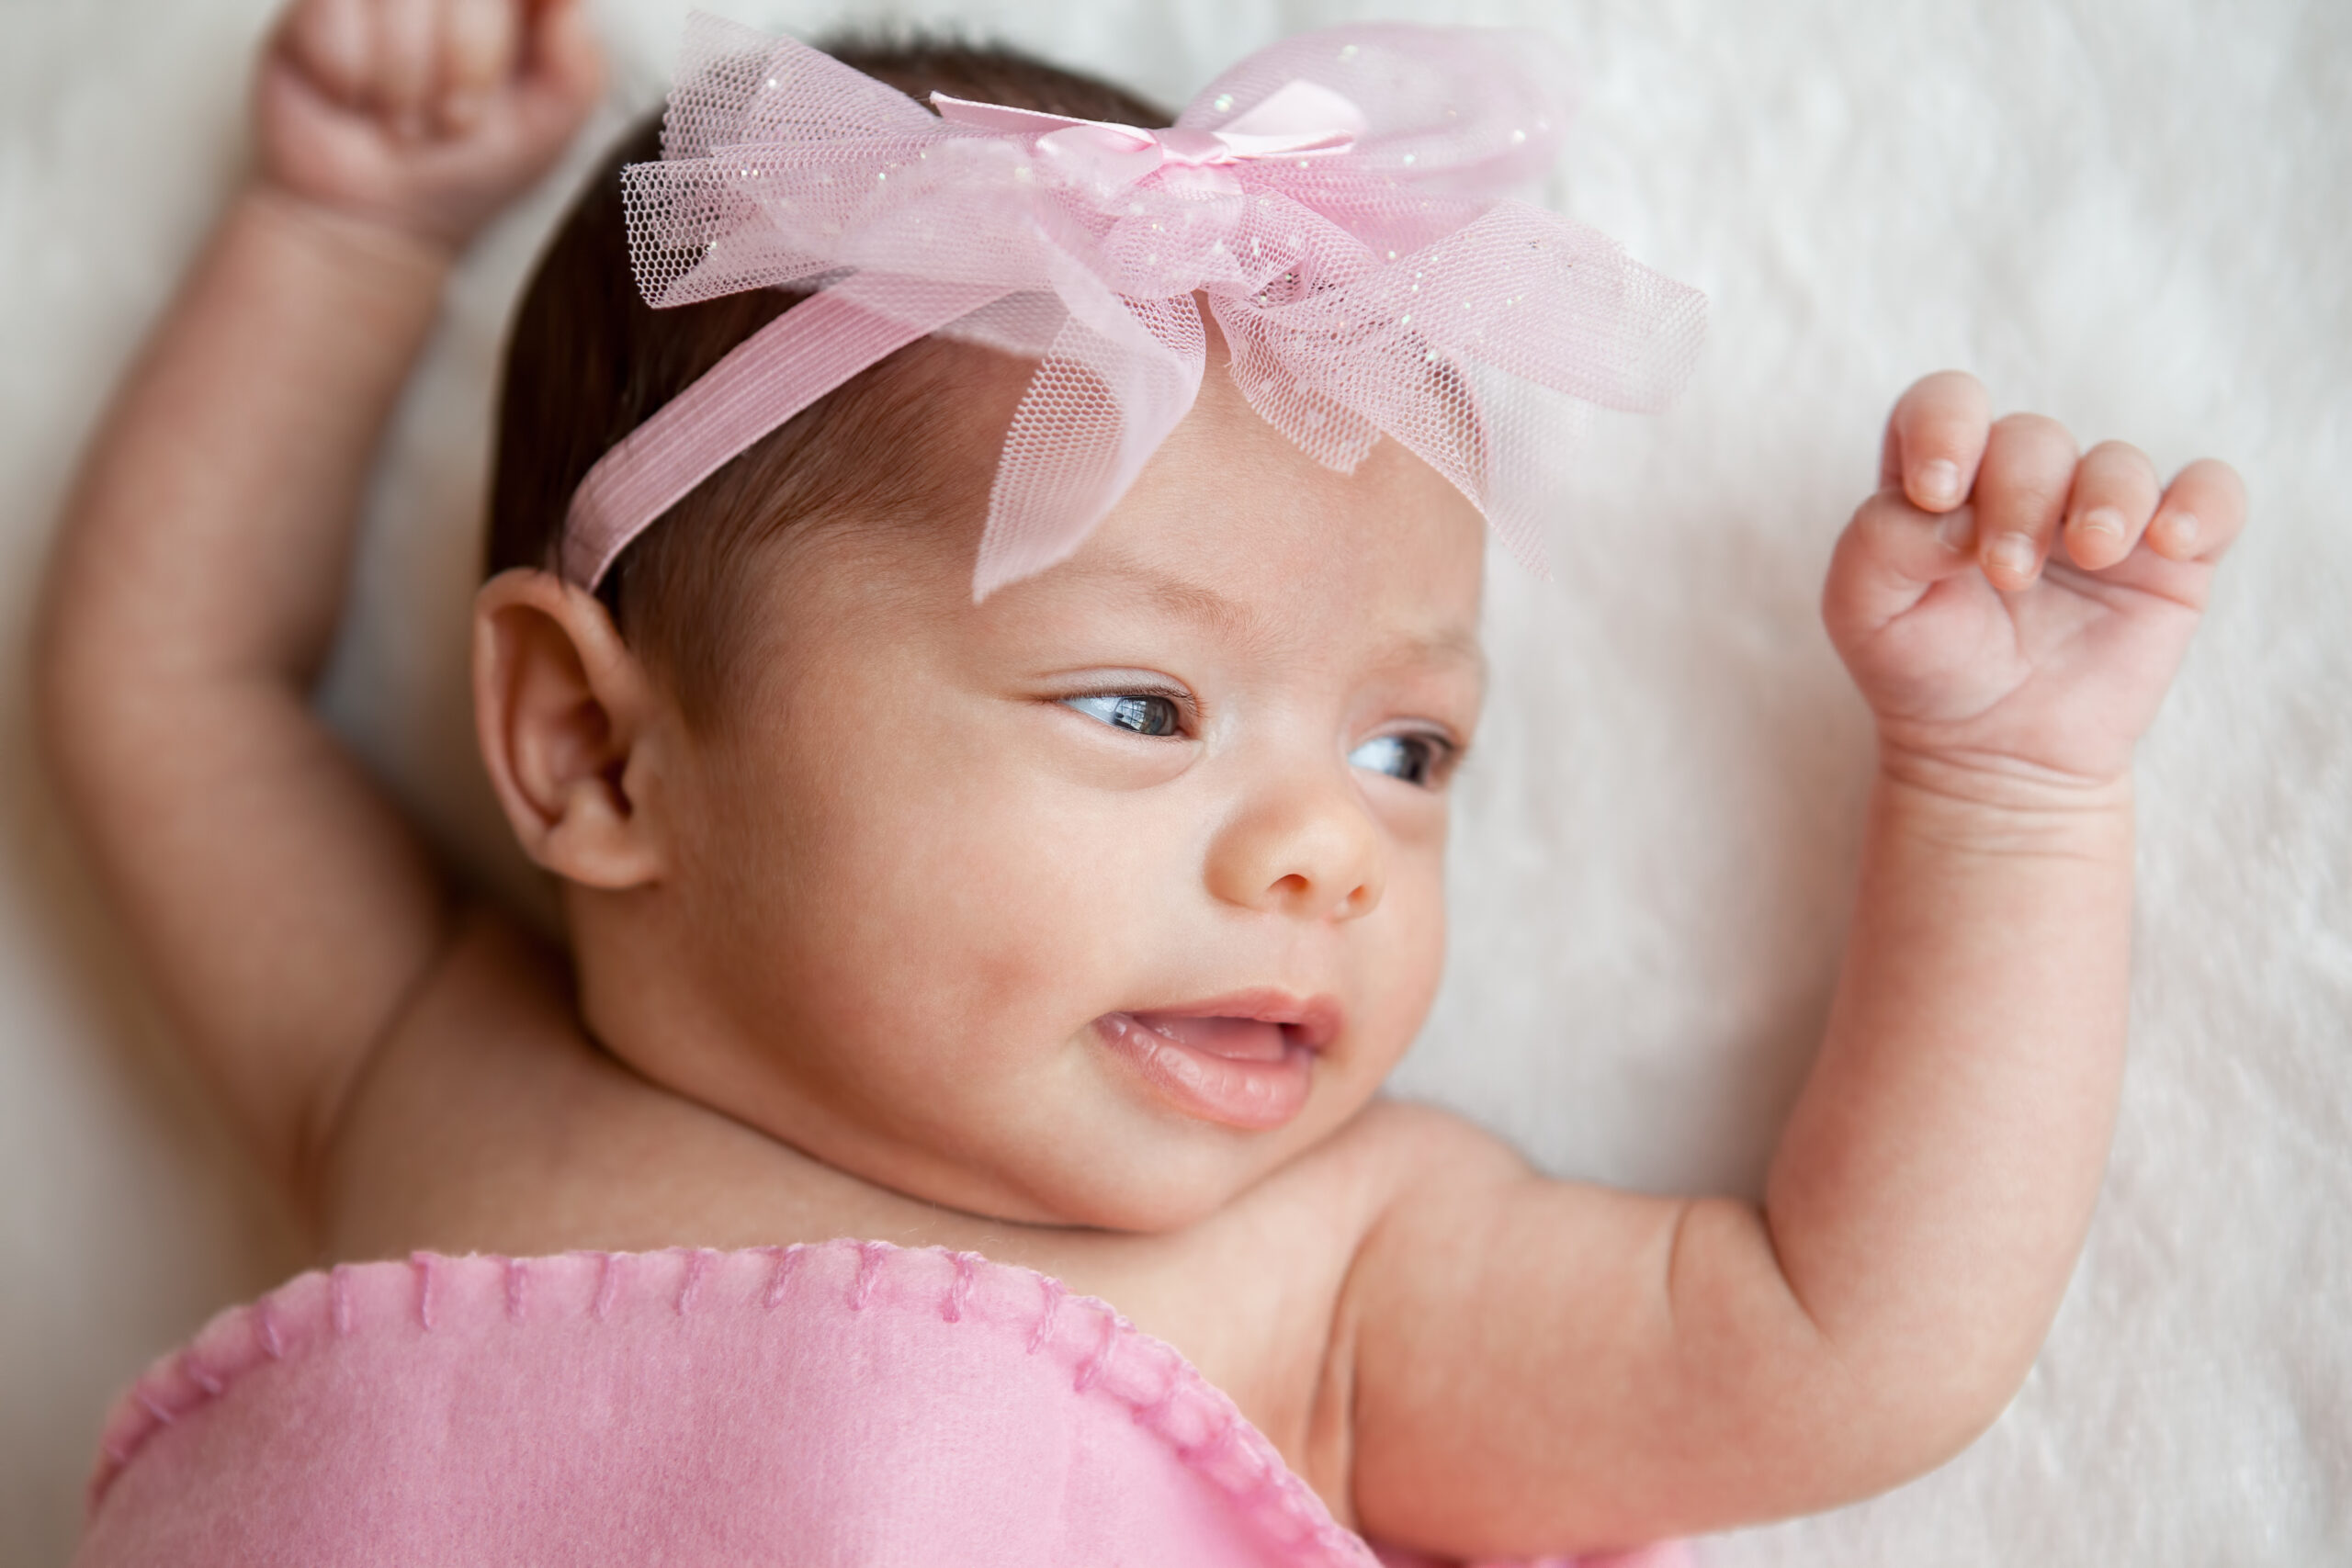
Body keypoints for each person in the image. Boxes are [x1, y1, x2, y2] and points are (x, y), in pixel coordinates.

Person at [37, 0, 2247, 1562]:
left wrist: (2007, 790)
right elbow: (166, 689)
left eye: (1407, 748)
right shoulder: (414, 1062)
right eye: (1137, 706)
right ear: (595, 745)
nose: (1323, 854)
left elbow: (1841, 1342)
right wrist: (338, 241)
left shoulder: (1325, 1271)